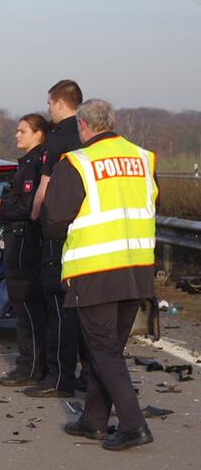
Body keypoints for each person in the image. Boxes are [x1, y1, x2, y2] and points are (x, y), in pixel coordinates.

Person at [43, 99, 157, 450]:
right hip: (137, 269)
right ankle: (94, 420)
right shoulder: (143, 157)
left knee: (104, 350)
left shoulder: (78, 162)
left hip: (95, 270)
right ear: (112, 122)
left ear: (83, 126)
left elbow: (55, 219)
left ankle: (133, 425)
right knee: (107, 349)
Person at [26, 79, 85, 398]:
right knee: (83, 307)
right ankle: (88, 374)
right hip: (87, 232)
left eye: (50, 103)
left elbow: (45, 186)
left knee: (56, 305)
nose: (48, 108)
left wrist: (35, 216)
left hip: (57, 230)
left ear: (60, 103)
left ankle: (59, 377)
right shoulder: (88, 136)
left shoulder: (58, 138)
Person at [0, 113, 50, 387]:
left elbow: (27, 208)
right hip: (21, 241)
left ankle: (30, 366)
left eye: (22, 131)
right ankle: (35, 364)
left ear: (38, 134)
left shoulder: (35, 165)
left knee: (27, 307)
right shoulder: (29, 164)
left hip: (25, 243)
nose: (17, 135)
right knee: (27, 307)